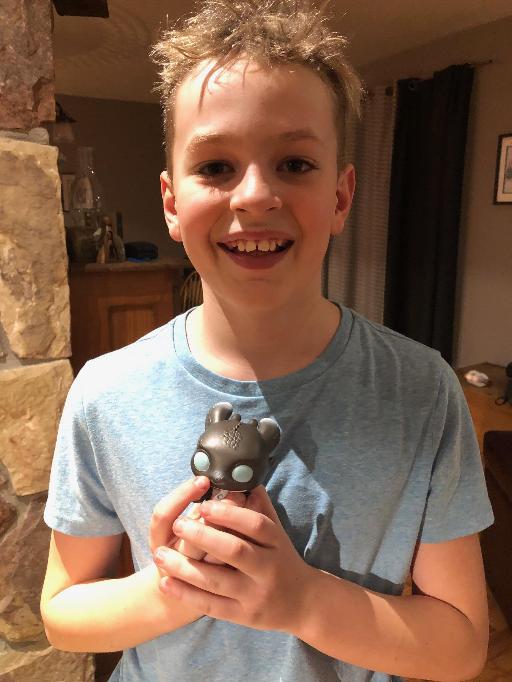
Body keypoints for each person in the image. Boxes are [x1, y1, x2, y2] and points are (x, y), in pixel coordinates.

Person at [40, 1, 494, 680]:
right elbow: (62, 612)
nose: (254, 196)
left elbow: (461, 645)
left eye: (295, 163)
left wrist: (301, 599)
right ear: (171, 202)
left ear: (341, 197)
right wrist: (173, 587)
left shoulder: (421, 391)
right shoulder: (104, 393)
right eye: (215, 167)